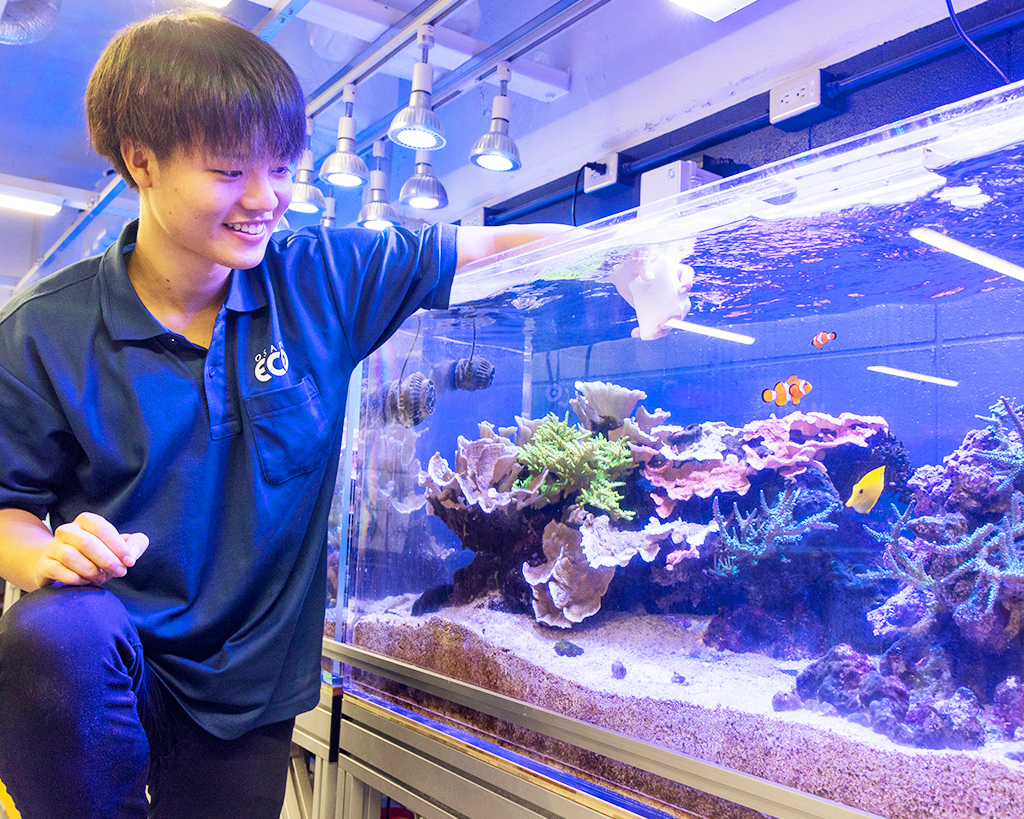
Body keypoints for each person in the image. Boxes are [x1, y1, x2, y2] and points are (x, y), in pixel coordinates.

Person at [0, 10, 693, 819]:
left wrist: (622, 255)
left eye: (281, 168)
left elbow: (479, 248)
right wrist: (40, 554)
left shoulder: (321, 277)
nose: (265, 200)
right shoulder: (44, 327)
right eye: (230, 172)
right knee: (52, 637)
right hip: (111, 656)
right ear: (141, 161)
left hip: (247, 684)